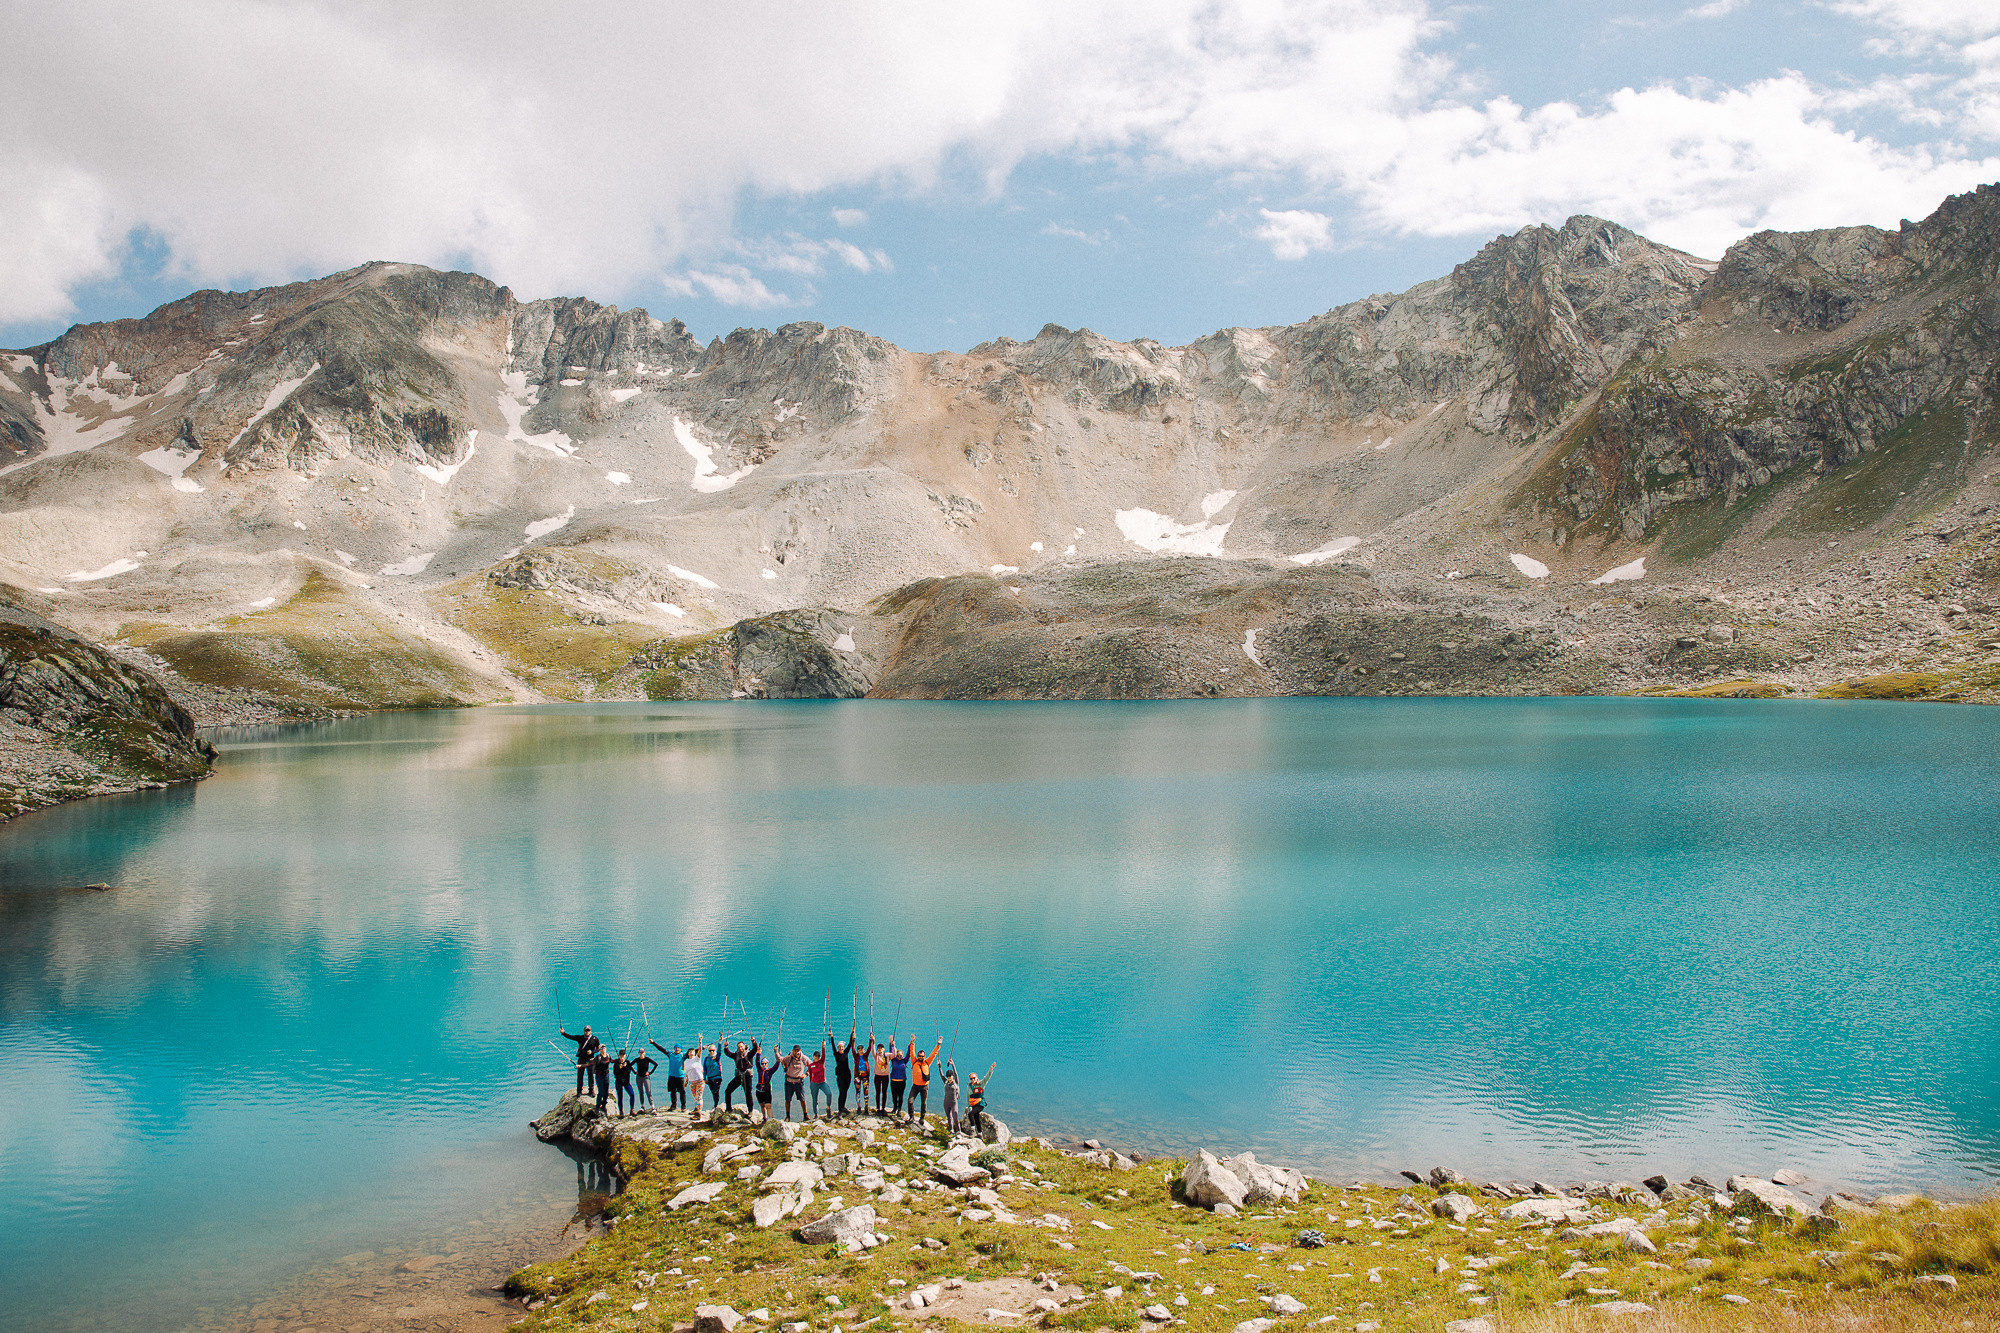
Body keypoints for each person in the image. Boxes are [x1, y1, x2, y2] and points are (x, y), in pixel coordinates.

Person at [908, 1035, 942, 1125]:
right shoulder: (914, 1061)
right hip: (915, 1086)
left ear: (924, 1056)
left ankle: (922, 1118)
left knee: (924, 1103)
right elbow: (912, 1052)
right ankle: (911, 1117)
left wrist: (938, 1044)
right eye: (919, 1056)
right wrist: (912, 1042)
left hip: (924, 1087)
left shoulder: (927, 1062)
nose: (920, 1057)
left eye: (922, 1056)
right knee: (910, 1101)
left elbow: (933, 1054)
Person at [559, 1025, 600, 1095]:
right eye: (586, 1030)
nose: (587, 1032)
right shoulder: (580, 1038)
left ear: (591, 1031)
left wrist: (592, 1052)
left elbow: (598, 1048)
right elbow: (571, 1037)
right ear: (584, 1031)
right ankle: (579, 1091)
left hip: (590, 1059)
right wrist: (563, 1033)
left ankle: (591, 1091)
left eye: (588, 1030)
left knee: (591, 1076)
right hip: (581, 1059)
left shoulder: (595, 1039)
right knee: (580, 1075)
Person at [651, 1039, 687, 1111]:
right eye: (676, 1048)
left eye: (678, 1048)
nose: (677, 1049)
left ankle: (683, 1106)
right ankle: (673, 1105)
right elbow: (662, 1049)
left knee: (682, 1091)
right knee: (672, 1091)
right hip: (671, 1076)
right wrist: (653, 1043)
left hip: (680, 1076)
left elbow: (692, 1051)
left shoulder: (683, 1055)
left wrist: (701, 1047)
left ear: (681, 1049)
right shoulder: (670, 1054)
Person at [725, 1039, 757, 1112]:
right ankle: (728, 1108)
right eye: (739, 1047)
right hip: (739, 1076)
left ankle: (750, 1111)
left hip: (747, 1076)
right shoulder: (736, 1055)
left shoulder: (749, 1054)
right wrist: (726, 1046)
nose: (740, 1048)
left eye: (741, 1047)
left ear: (744, 1047)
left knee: (748, 1093)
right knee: (728, 1091)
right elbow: (728, 1053)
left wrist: (753, 1042)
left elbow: (755, 1049)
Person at [782, 1043, 810, 1122]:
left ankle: (805, 1115)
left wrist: (806, 1074)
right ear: (792, 1051)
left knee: (802, 1099)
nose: (796, 1053)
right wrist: (776, 1052)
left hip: (799, 1082)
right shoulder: (789, 1058)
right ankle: (787, 1116)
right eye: (795, 1051)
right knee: (788, 1100)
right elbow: (780, 1059)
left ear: (800, 1051)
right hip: (789, 1082)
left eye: (798, 1051)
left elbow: (812, 1066)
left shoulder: (804, 1059)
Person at [832, 1029, 856, 1115]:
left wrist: (852, 1034)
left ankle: (843, 1107)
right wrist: (831, 1037)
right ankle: (840, 1109)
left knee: (845, 1091)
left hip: (847, 1075)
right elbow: (833, 1046)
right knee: (841, 1092)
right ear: (838, 1048)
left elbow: (850, 1043)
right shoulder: (836, 1054)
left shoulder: (846, 1052)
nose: (841, 1048)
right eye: (840, 1047)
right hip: (840, 1076)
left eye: (842, 1047)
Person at [966, 1065, 993, 1136]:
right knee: (976, 1118)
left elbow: (986, 1078)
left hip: (980, 1104)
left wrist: (990, 1070)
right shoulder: (969, 1086)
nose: (972, 1080)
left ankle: (972, 1130)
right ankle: (980, 1134)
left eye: (974, 1078)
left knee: (970, 1114)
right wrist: (969, 1106)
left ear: (976, 1078)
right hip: (974, 1104)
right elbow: (968, 1097)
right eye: (971, 1078)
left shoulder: (980, 1084)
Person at [755, 1044, 778, 1122]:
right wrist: (758, 1053)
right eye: (763, 1063)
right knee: (762, 1105)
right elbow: (757, 1061)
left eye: (765, 1063)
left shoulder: (770, 1071)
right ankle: (765, 1118)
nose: (764, 1065)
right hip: (759, 1090)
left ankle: (771, 1119)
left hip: (767, 1091)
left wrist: (777, 1054)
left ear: (768, 1064)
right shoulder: (759, 1070)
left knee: (768, 1105)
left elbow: (776, 1065)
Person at [807, 1041, 829, 1119]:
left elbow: (824, 1055)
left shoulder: (821, 1061)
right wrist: (811, 1084)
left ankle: (828, 1107)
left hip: (822, 1082)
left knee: (829, 1094)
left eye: (818, 1056)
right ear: (813, 1057)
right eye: (815, 1056)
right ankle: (816, 1114)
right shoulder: (811, 1065)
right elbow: (810, 1075)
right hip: (814, 1083)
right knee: (814, 1099)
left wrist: (823, 1046)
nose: (817, 1057)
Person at [702, 1041, 723, 1115]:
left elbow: (720, 1052)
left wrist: (719, 1043)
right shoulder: (706, 1059)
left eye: (713, 1050)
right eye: (710, 1050)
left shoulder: (716, 1057)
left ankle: (716, 1106)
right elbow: (704, 1069)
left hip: (717, 1077)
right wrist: (704, 1078)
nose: (711, 1052)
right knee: (713, 1092)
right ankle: (715, 1104)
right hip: (709, 1078)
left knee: (715, 1091)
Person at [889, 1039, 909, 1116]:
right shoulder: (893, 1060)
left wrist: (910, 1044)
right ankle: (894, 1108)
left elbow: (909, 1053)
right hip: (893, 1081)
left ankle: (899, 1109)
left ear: (902, 1055)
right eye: (898, 1055)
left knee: (900, 1096)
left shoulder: (905, 1060)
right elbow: (891, 1052)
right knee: (894, 1095)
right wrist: (891, 1044)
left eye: (900, 1056)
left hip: (902, 1081)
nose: (899, 1057)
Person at [872, 1035, 891, 1112]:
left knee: (884, 1092)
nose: (880, 1049)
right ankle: (878, 1108)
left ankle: (883, 1107)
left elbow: (894, 1054)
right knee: (877, 1092)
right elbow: (872, 1050)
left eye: (881, 1048)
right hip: (877, 1076)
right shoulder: (876, 1056)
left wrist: (892, 1044)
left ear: (884, 1049)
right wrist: (873, 1041)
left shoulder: (888, 1055)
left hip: (885, 1076)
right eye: (878, 1048)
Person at [591, 1045, 613, 1113]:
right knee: (600, 1092)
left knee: (606, 1092)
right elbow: (590, 1063)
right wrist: (580, 1065)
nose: (603, 1049)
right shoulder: (598, 1057)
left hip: (606, 1075)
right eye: (601, 1048)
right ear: (599, 1050)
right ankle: (597, 1106)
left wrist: (621, 1060)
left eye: (604, 1048)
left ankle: (604, 1105)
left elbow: (612, 1061)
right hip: (599, 1076)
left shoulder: (608, 1056)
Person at [613, 1049, 636, 1116]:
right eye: (621, 1055)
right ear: (619, 1056)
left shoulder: (627, 1062)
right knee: (620, 1097)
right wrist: (619, 1068)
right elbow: (615, 1074)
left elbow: (629, 1071)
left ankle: (632, 1109)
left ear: (625, 1056)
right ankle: (621, 1112)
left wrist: (625, 1067)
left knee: (632, 1094)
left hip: (626, 1082)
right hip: (619, 1082)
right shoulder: (616, 1063)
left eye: (623, 1055)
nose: (622, 1057)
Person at [942, 1063, 960, 1135]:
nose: (949, 1077)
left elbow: (956, 1073)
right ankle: (951, 1130)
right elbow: (941, 1074)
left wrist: (953, 1064)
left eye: (950, 1076)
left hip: (954, 1103)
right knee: (949, 1117)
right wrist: (939, 1065)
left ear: (952, 1076)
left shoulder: (955, 1082)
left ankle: (959, 1131)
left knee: (955, 1118)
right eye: (948, 1076)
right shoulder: (946, 1082)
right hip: (946, 1103)